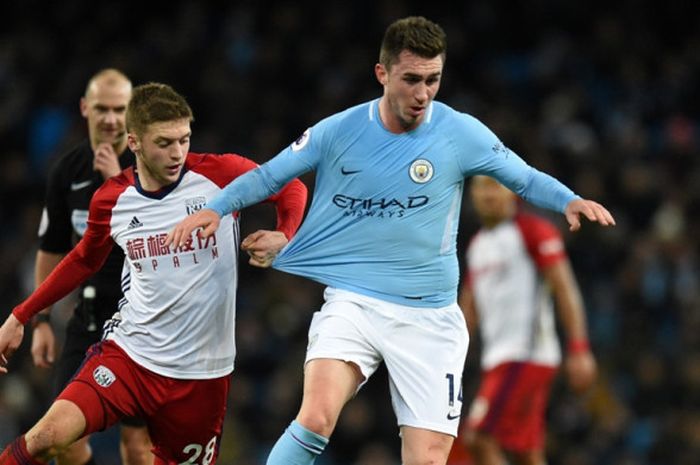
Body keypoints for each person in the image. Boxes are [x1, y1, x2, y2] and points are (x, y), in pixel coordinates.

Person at [167, 16, 615, 465]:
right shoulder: (337, 132)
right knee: (316, 415)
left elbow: (524, 177)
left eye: (433, 80)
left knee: (426, 459)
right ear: (382, 74)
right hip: (354, 304)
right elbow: (269, 176)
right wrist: (216, 208)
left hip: (430, 318)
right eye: (411, 80)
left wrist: (568, 200)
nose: (423, 94)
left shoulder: (459, 132)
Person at [0, 82, 307, 465]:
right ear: (134, 142)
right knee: (46, 437)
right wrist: (21, 315)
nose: (178, 152)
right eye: (164, 142)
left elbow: (290, 187)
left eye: (184, 139)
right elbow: (83, 260)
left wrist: (285, 234)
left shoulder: (221, 174)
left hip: (202, 377)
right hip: (130, 356)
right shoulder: (112, 199)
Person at [29, 68, 154, 465]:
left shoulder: (152, 166)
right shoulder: (67, 171)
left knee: (137, 446)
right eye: (101, 108)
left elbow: (161, 240)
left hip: (141, 323)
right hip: (87, 319)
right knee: (60, 440)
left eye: (120, 109)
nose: (110, 119)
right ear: (85, 108)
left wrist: (116, 183)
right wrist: (41, 318)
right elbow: (50, 248)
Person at [454, 175, 597, 465]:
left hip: (525, 355)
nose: (486, 194)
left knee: (478, 438)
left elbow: (564, 288)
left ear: (513, 193)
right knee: (526, 453)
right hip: (499, 360)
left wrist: (579, 348)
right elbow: (467, 313)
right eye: (480, 187)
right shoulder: (478, 245)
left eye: (494, 185)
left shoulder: (533, 230)